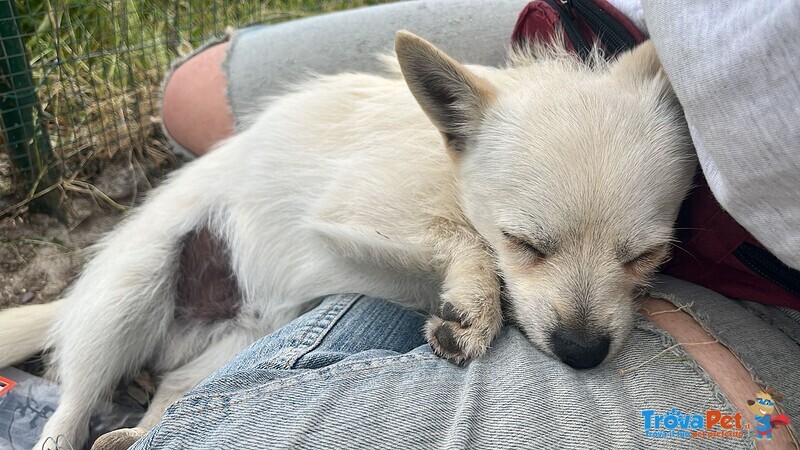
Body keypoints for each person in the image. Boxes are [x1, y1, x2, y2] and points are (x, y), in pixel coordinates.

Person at [101, 1, 800, 448]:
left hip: (760, 302)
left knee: (212, 438)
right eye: (528, 245)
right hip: (593, 26)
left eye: (641, 256)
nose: (584, 314)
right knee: (187, 94)